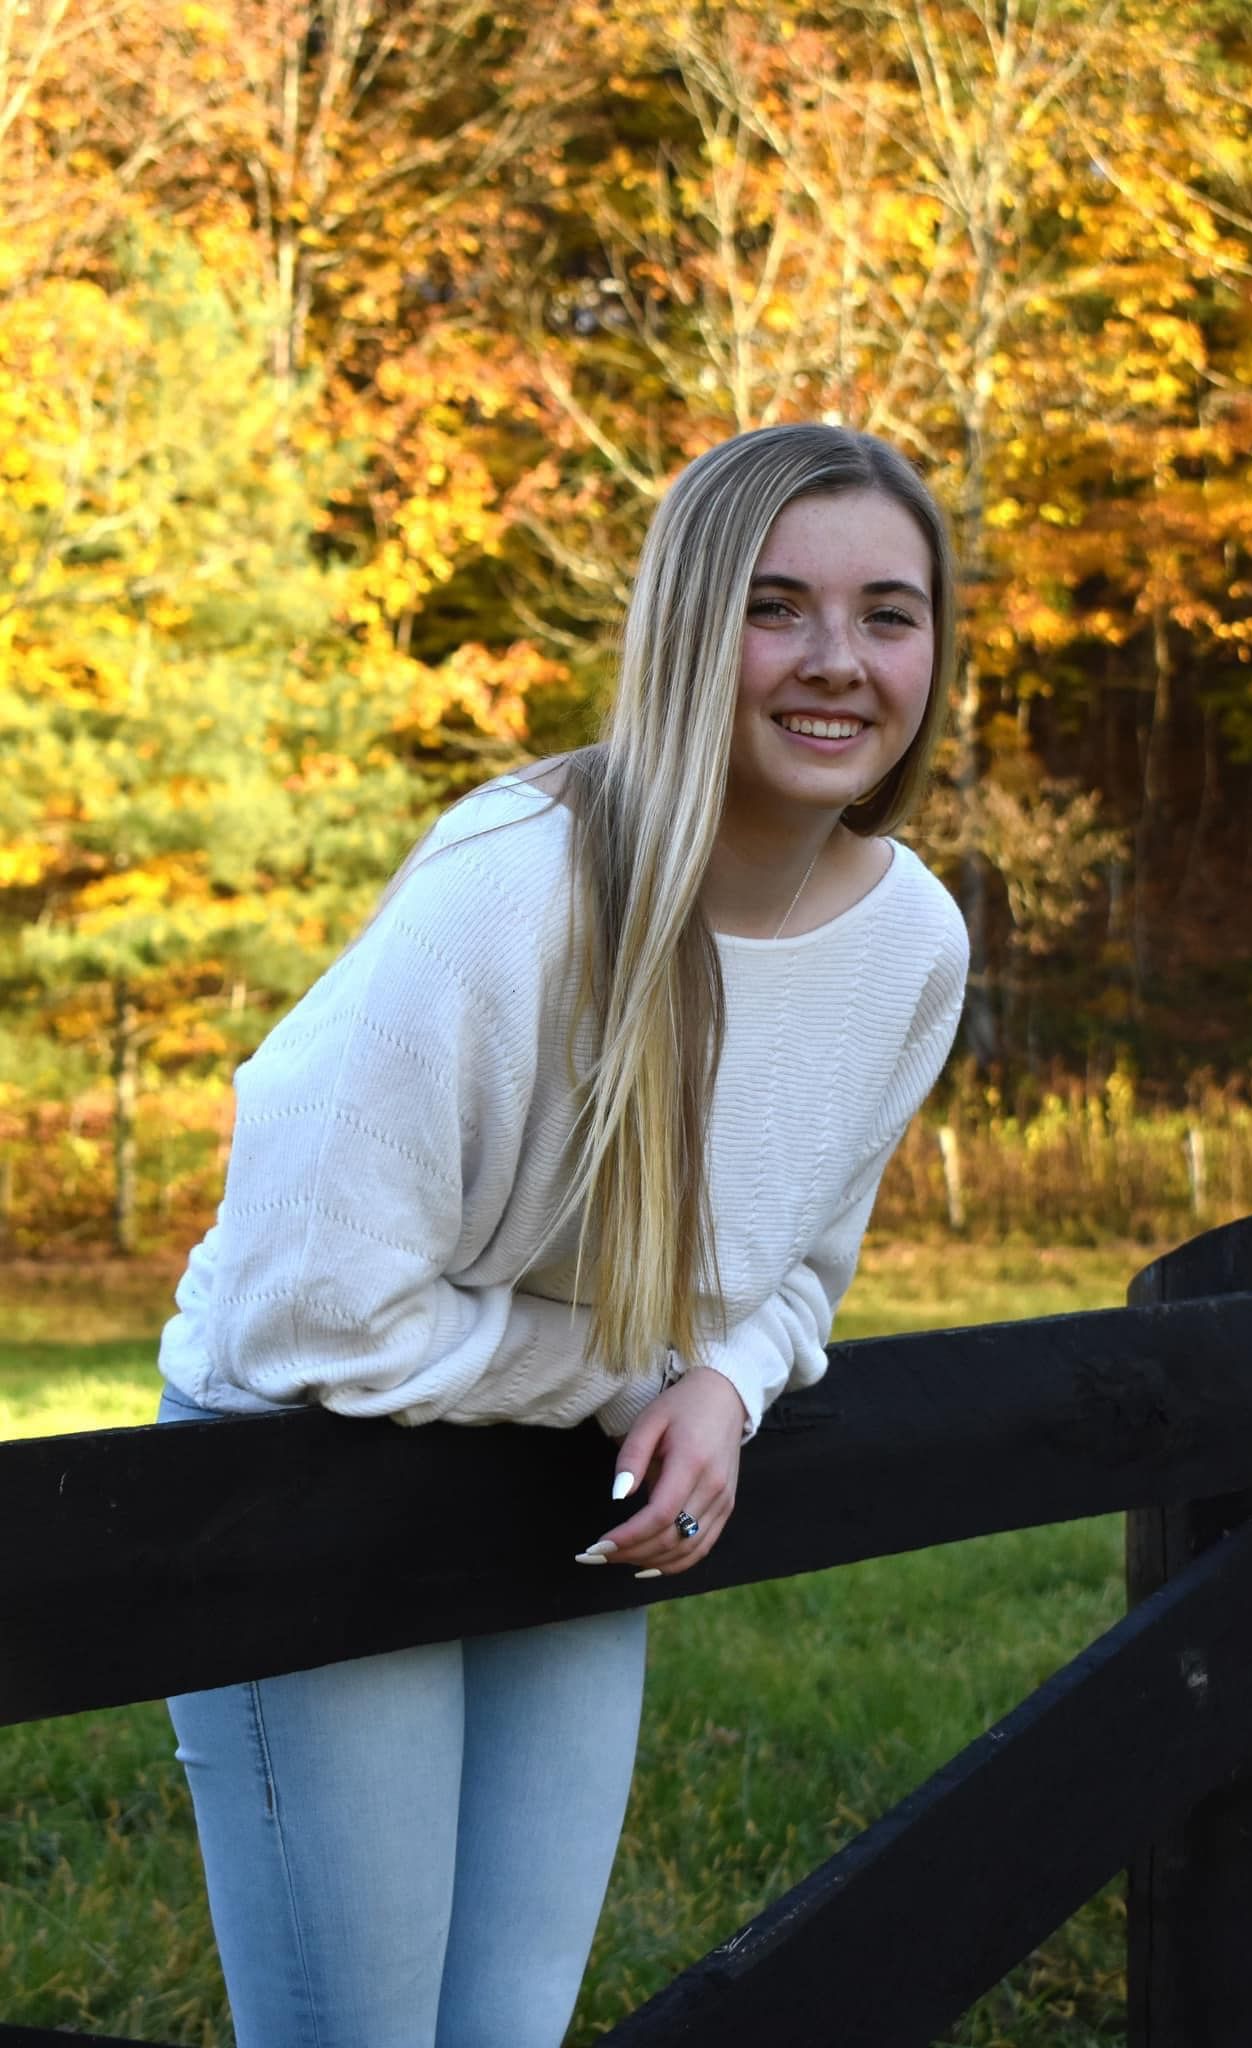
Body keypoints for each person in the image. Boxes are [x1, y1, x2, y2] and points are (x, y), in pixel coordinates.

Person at [156, 421, 970, 2048]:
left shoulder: (911, 943)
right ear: (683, 631)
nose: (835, 663)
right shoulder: (518, 887)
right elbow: (304, 1317)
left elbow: (801, 1267)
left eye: (887, 613)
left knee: (511, 2030)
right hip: (314, 1475)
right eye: (772, 607)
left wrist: (724, 1385)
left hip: (567, 1498)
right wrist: (624, 1380)